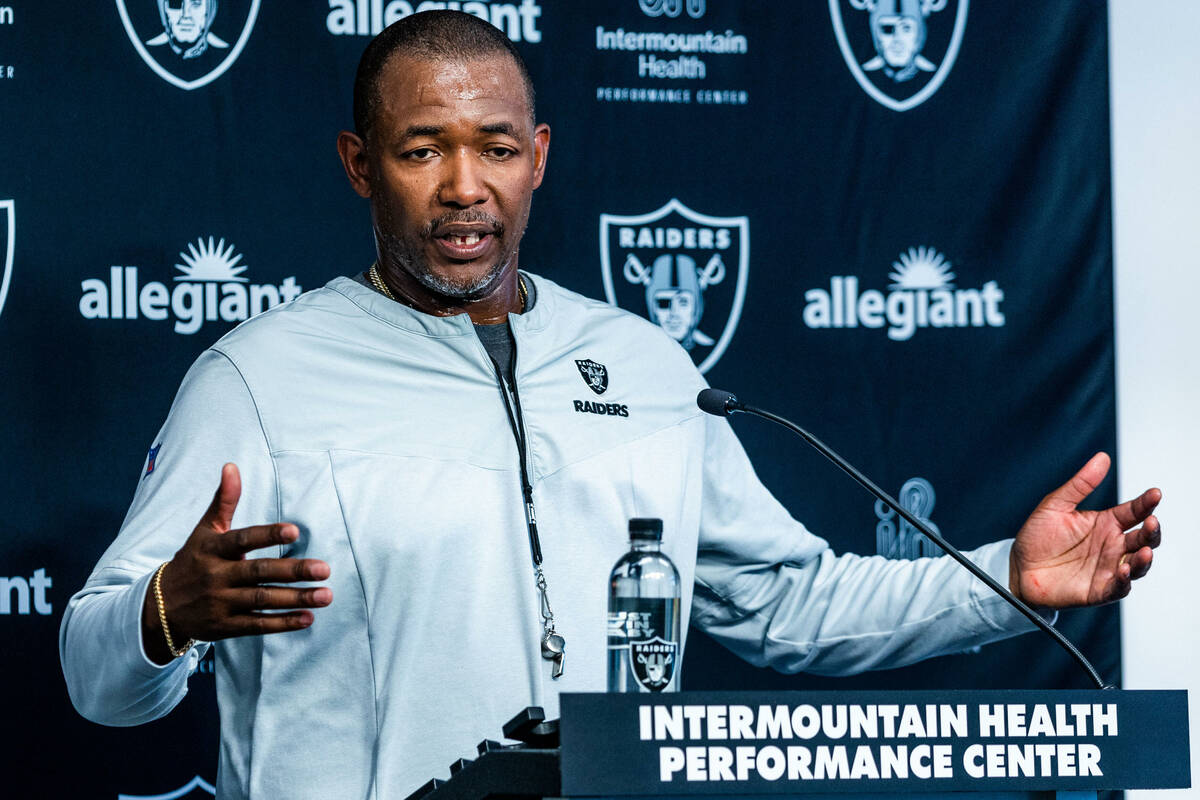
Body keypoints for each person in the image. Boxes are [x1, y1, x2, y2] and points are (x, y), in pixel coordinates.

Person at [60, 10, 1162, 800]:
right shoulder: (259, 376)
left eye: (495, 148)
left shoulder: (642, 364)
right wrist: (163, 612)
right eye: (419, 150)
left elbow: (788, 602)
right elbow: (95, 678)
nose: (462, 186)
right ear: (360, 165)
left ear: (537, 159)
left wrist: (1003, 582)